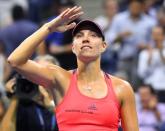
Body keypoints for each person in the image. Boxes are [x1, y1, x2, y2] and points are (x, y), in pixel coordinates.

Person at [7, 6, 139, 130]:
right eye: (79, 36)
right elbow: (15, 60)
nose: (86, 39)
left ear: (104, 46)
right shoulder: (60, 78)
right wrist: (48, 28)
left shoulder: (122, 88)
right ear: (73, 47)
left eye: (93, 35)